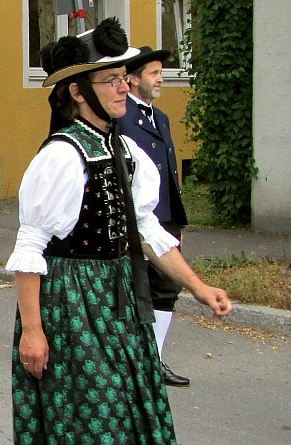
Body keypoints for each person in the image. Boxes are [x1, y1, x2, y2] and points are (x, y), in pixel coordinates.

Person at [5, 18, 232, 445]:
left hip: (119, 299)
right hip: (72, 304)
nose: (122, 88)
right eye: (109, 80)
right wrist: (33, 330)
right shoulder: (62, 156)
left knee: (130, 410)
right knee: (90, 419)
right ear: (77, 92)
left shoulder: (124, 148)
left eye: (123, 78)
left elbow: (145, 228)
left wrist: (198, 286)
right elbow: (31, 246)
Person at [120, 47, 191, 387]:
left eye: (161, 71)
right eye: (154, 72)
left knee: (167, 287)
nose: (161, 77)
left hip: (164, 217)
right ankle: (132, 361)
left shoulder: (159, 117)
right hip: (135, 218)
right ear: (133, 80)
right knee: (136, 289)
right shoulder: (120, 118)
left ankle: (155, 359)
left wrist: (177, 219)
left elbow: (169, 172)